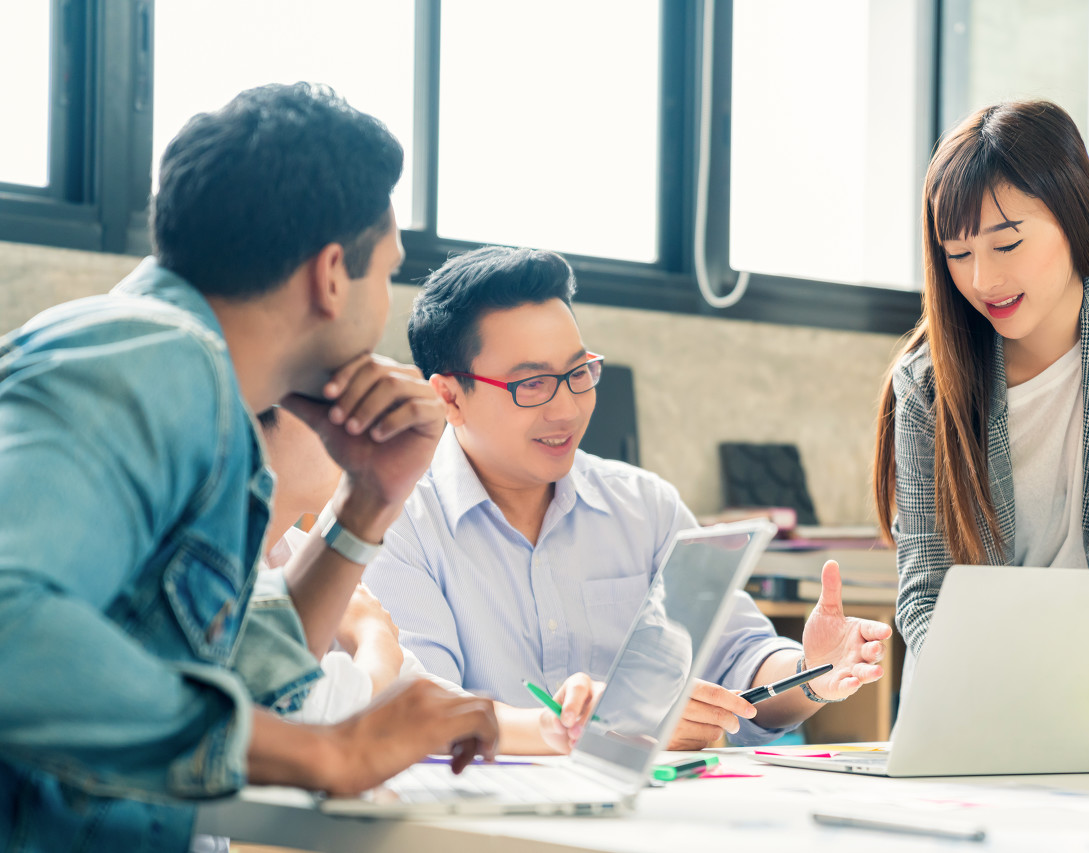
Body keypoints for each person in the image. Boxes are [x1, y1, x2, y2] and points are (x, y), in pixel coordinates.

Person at [0, 83, 498, 852]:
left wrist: (367, 503)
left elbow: (221, 671)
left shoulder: (194, 384)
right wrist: (331, 751)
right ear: (332, 273)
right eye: (388, 272)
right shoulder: (152, 358)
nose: (385, 307)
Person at [362, 245, 892, 749]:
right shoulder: (394, 523)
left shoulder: (645, 507)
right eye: (533, 385)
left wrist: (813, 673)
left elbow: (737, 662)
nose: (566, 410)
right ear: (450, 397)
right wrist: (608, 729)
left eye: (577, 374)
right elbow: (420, 708)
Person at [872, 99, 1089, 760]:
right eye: (957, 253)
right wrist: (984, 706)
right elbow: (926, 590)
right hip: (973, 711)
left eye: (1007, 243)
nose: (982, 279)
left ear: (1073, 210)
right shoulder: (927, 383)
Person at [255, 402, 596, 751]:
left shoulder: (300, 556)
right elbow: (334, 722)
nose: (352, 427)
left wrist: (554, 724)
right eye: (320, 401)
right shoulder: (229, 584)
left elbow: (422, 703)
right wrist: (375, 638)